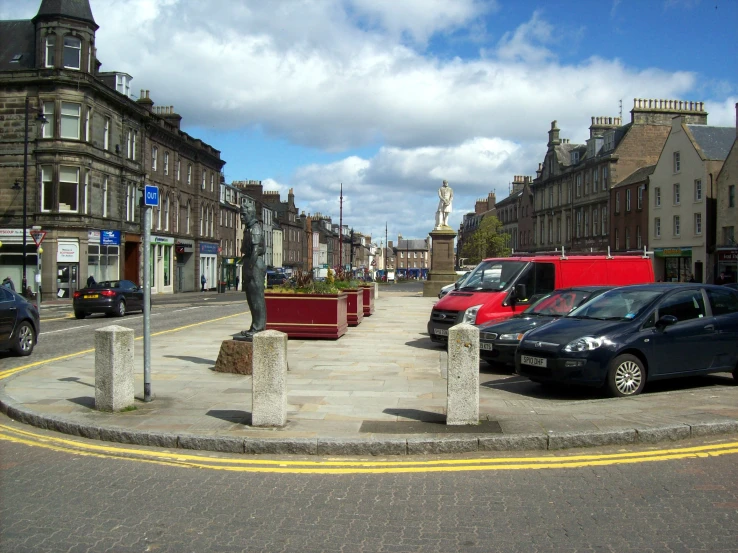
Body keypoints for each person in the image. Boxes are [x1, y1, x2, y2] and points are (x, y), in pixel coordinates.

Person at [239, 204, 267, 339]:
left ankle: (258, 327)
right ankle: (254, 326)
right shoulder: (248, 228)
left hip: (255, 265)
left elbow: (256, 251)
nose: (241, 217)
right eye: (241, 214)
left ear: (251, 214)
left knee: (256, 298)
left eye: (244, 214)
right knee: (251, 298)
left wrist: (249, 269)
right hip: (250, 262)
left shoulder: (255, 228)